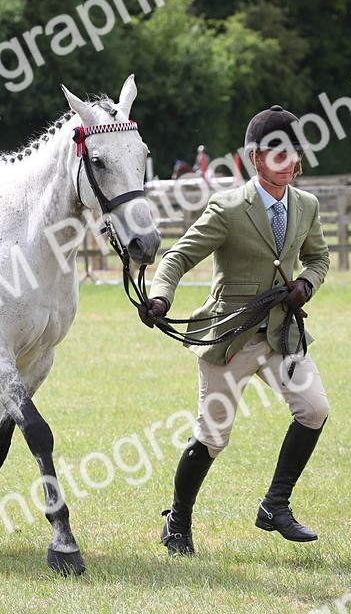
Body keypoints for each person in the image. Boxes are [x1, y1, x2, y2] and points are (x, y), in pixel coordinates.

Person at [139, 105, 331, 555]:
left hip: (283, 334)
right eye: (277, 153)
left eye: (294, 152)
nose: (288, 161)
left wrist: (306, 284)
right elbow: (178, 257)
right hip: (232, 338)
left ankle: (275, 505)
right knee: (213, 437)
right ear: (254, 158)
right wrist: (161, 297)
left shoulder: (306, 206)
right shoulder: (227, 209)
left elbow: (319, 259)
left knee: (314, 408)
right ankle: (178, 521)